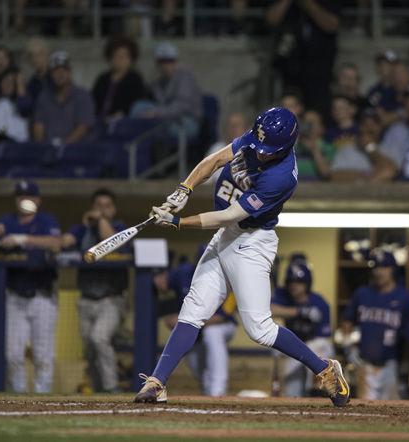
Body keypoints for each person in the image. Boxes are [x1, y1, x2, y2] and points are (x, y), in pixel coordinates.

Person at [133, 107, 350, 407]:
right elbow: (216, 159)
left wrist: (178, 222)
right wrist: (185, 188)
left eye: (267, 151)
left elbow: (229, 215)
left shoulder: (282, 177)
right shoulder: (258, 135)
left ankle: (325, 368)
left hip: (252, 242)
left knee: (259, 329)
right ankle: (157, 383)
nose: (260, 154)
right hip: (226, 237)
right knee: (193, 310)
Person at [0, 180, 61, 393]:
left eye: (30, 196)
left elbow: (55, 243)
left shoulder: (45, 220)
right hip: (15, 296)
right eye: (21, 196)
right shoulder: (6, 221)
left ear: (38, 200)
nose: (25, 200)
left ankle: (43, 397)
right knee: (13, 354)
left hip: (43, 295)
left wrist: (21, 239)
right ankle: (18, 396)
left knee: (43, 355)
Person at [61, 188, 128, 393]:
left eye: (107, 206)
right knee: (89, 349)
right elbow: (65, 242)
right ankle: (98, 388)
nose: (102, 210)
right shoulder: (82, 229)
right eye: (98, 206)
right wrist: (84, 226)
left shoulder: (119, 227)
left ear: (114, 209)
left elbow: (111, 243)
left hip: (110, 299)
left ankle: (111, 386)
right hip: (86, 299)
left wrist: (100, 220)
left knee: (100, 338)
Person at [153, 248, 237, 397]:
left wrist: (183, 321)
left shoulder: (229, 277)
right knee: (192, 357)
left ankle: (218, 391)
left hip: (221, 326)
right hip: (197, 327)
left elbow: (222, 316)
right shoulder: (185, 272)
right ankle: (207, 390)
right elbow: (162, 283)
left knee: (212, 334)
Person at [341, 249, 409, 400]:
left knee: (393, 411)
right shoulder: (362, 294)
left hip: (391, 364)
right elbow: (347, 320)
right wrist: (348, 345)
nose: (379, 272)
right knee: (365, 409)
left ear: (392, 269)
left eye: (384, 267)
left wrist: (407, 365)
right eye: (376, 267)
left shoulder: (405, 297)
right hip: (365, 364)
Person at [266, 0, 340, 117]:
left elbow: (332, 24)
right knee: (288, 114)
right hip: (289, 68)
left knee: (317, 114)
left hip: (319, 69)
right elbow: (271, 19)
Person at [271, 260, 334, 397]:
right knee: (291, 390)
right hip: (295, 347)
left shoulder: (319, 302)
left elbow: (324, 338)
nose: (295, 286)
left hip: (315, 343)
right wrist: (299, 312)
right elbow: (269, 310)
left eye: (299, 282)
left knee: (320, 349)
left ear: (307, 284)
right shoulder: (284, 297)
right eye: (291, 282)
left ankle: (318, 392)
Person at [131, 42, 202, 139]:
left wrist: (156, 113)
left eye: (170, 61)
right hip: (166, 118)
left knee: (160, 128)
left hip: (186, 120)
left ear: (175, 61)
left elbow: (181, 106)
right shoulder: (158, 81)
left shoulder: (185, 77)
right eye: (163, 62)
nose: (167, 65)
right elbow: (159, 103)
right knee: (139, 107)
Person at [33, 51, 95, 146]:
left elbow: (83, 127)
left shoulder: (83, 95)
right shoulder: (43, 97)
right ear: (51, 74)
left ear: (70, 72)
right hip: (48, 151)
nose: (60, 74)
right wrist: (41, 149)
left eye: (64, 70)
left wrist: (63, 145)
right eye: (56, 71)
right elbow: (38, 126)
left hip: (76, 151)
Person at [329, 110, 397, 183]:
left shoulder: (388, 149)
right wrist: (366, 176)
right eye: (365, 124)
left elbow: (389, 171)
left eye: (374, 124)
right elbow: (334, 176)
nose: (369, 128)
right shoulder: (347, 150)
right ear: (359, 127)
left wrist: (369, 147)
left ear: (381, 128)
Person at [92, 37, 145, 125]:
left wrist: (122, 114)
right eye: (116, 56)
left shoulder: (135, 80)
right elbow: (94, 101)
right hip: (99, 121)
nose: (120, 60)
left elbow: (137, 105)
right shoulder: (102, 79)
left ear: (131, 59)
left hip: (124, 123)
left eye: (124, 56)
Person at [0, 68, 31, 142]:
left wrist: (20, 85)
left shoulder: (23, 103)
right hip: (0, 146)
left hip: (21, 147)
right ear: (0, 83)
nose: (8, 84)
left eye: (12, 82)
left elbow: (24, 107)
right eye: (5, 81)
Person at [205, 112, 248, 184]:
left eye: (237, 126)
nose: (234, 130)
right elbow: (204, 183)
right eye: (231, 126)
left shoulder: (253, 152)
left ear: (245, 129)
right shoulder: (216, 149)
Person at [295, 110, 334, 180]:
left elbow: (326, 173)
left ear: (321, 128)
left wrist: (314, 150)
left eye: (311, 123)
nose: (307, 126)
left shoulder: (328, 148)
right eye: (304, 122)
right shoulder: (293, 146)